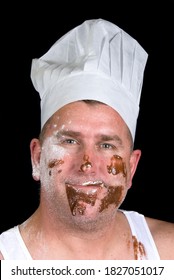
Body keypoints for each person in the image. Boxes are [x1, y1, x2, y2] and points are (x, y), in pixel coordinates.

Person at [0, 18, 173, 260]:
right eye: (70, 141)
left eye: (106, 145)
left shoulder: (168, 252)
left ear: (132, 168)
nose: (87, 163)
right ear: (37, 157)